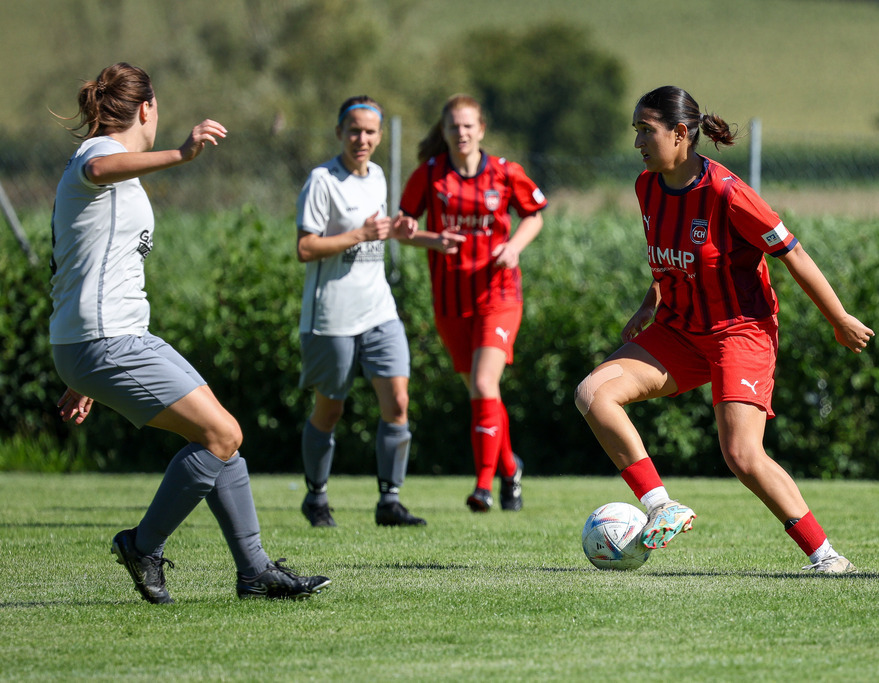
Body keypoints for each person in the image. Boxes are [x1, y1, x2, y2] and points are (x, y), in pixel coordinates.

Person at [50, 62, 330, 603]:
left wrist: (80, 374)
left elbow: (81, 264)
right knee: (222, 436)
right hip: (106, 339)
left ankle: (254, 571)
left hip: (106, 337)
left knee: (221, 437)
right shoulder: (96, 155)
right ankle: (142, 544)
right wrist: (180, 154)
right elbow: (100, 168)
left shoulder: (110, 166)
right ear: (147, 109)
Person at [574, 86, 874, 573]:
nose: (637, 144)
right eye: (635, 132)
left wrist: (838, 318)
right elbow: (670, 260)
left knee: (741, 454)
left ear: (680, 134)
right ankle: (660, 506)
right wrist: (649, 303)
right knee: (592, 393)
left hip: (741, 333)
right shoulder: (646, 186)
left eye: (645, 132)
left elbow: (792, 253)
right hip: (679, 330)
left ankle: (826, 557)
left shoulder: (729, 194)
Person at [397, 94, 546, 512]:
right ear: (443, 132)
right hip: (449, 301)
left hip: (498, 296)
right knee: (483, 394)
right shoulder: (428, 175)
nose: (460, 133)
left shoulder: (504, 172)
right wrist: (430, 238)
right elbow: (402, 228)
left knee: (483, 385)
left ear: (481, 130)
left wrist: (514, 246)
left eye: (467, 126)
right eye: (452, 127)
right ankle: (511, 468)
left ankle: (484, 486)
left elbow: (534, 214)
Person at [294, 96, 425, 528]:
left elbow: (380, 234)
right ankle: (316, 498)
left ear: (380, 136)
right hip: (331, 317)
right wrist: (360, 234)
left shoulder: (379, 177)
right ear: (339, 133)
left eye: (370, 131)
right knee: (329, 411)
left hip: (379, 311)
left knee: (399, 402)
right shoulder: (321, 180)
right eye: (354, 130)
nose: (362, 139)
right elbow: (306, 247)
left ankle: (389, 502)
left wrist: (403, 231)